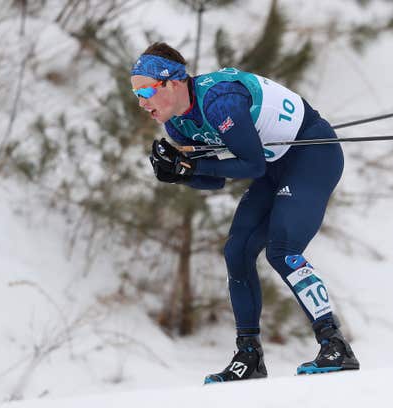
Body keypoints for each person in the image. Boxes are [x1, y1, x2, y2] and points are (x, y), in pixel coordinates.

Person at [130, 42, 359, 383]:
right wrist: (183, 173)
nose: (141, 102)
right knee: (237, 251)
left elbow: (249, 165)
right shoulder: (177, 124)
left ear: (173, 82)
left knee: (282, 250)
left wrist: (191, 168)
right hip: (272, 163)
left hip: (311, 153)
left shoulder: (220, 101)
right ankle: (249, 356)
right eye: (135, 93)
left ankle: (335, 343)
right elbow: (215, 183)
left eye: (146, 90)